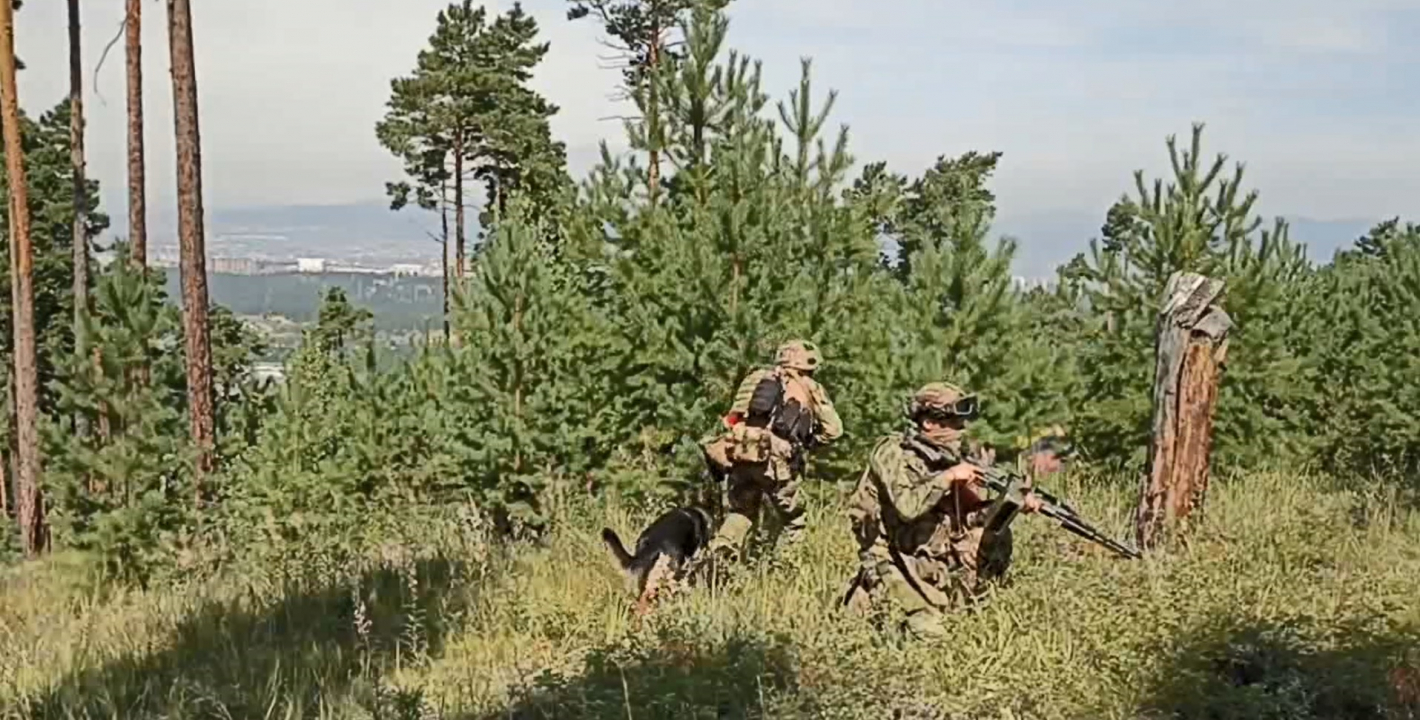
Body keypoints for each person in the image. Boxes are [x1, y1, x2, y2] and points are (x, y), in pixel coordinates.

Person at [841, 382, 1059, 640]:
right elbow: (907, 507)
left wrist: (1011, 504)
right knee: (927, 634)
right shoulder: (892, 452)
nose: (962, 429)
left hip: (929, 554)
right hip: (890, 555)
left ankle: (971, 603)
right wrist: (949, 476)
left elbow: (972, 516)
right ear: (929, 423)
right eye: (954, 422)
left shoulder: (947, 456)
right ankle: (866, 602)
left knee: (995, 536)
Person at [699, 339, 843, 563]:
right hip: (777, 466)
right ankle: (785, 568)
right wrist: (809, 443)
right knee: (795, 520)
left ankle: (720, 553)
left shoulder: (756, 378)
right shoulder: (810, 387)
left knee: (741, 512)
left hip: (742, 456)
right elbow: (834, 431)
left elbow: (732, 418)